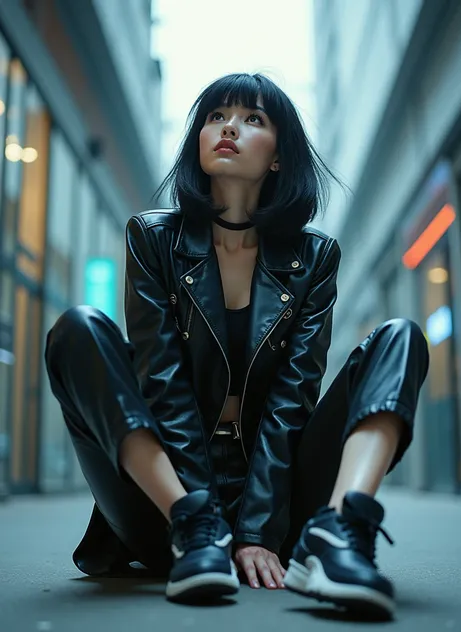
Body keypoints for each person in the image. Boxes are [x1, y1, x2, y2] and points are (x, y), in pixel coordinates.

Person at [45, 73, 429, 617]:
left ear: (277, 157)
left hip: (279, 500)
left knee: (400, 339)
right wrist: (203, 523)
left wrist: (256, 531)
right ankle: (193, 528)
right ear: (198, 142)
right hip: (164, 500)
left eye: (253, 119)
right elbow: (164, 388)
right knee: (79, 328)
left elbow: (292, 402)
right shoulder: (153, 239)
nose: (229, 127)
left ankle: (341, 531)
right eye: (216, 116)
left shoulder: (314, 258)